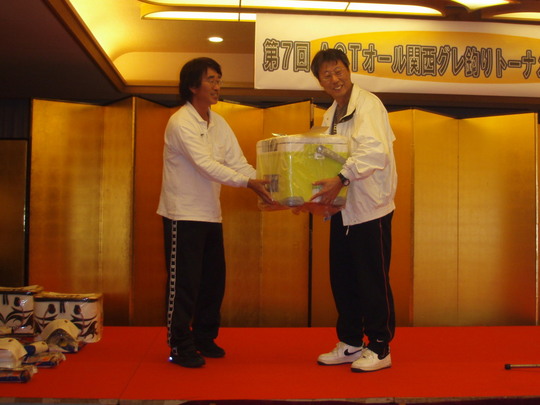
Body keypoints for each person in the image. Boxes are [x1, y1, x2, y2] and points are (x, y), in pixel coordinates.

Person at [157, 57, 274, 368]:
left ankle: (204, 337)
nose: (217, 85)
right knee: (184, 284)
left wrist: (265, 185)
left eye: (219, 80)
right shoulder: (180, 122)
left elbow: (237, 162)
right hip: (182, 215)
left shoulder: (218, 122)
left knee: (212, 282)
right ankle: (179, 344)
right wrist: (248, 183)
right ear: (192, 85)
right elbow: (205, 166)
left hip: (211, 215)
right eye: (211, 79)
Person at [310, 49, 397, 372]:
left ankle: (380, 346)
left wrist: (341, 178)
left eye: (338, 71)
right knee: (343, 279)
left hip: (371, 208)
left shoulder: (368, 105)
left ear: (349, 70)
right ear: (320, 82)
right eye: (326, 75)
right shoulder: (329, 115)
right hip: (343, 208)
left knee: (372, 280)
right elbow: (326, 160)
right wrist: (309, 198)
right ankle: (350, 342)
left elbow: (375, 153)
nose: (335, 79)